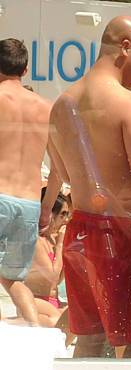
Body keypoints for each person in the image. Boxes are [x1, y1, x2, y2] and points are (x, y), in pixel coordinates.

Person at [43, 16, 131, 357]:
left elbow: (64, 174)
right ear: (125, 47)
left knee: (90, 340)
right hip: (125, 234)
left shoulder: (62, 104)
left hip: (80, 231)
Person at [0, 38, 51, 325]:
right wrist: (46, 206)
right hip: (30, 202)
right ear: (26, 69)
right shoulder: (46, 107)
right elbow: (59, 165)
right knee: (13, 278)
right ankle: (32, 327)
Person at [24, 190, 71, 338]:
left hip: (53, 301)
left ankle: (59, 350)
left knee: (77, 317)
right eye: (63, 214)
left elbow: (60, 279)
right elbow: (52, 276)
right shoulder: (36, 241)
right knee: (57, 322)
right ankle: (9, 322)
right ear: (50, 214)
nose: (66, 219)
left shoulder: (52, 240)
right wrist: (61, 245)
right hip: (35, 300)